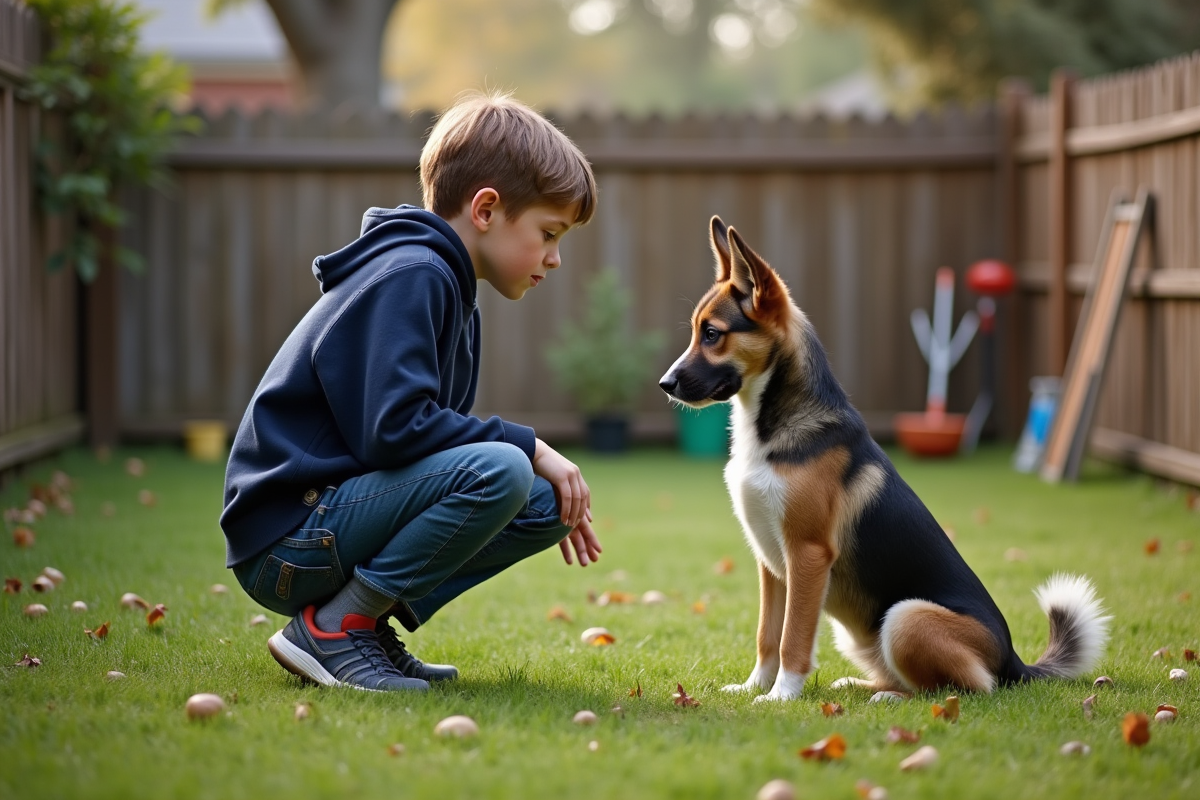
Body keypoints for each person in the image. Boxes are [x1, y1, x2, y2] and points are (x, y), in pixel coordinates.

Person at [219, 92, 603, 692]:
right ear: (486, 209)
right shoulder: (413, 275)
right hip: (287, 539)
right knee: (503, 468)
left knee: (546, 500)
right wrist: (530, 446)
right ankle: (334, 628)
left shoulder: (446, 284)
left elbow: (423, 443)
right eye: (548, 233)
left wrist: (530, 462)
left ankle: (360, 625)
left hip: (327, 521)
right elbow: (395, 430)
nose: (554, 259)